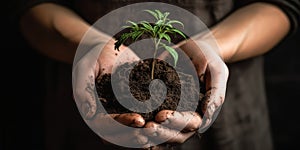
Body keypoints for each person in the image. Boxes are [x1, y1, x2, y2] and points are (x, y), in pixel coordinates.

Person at [17, 0, 299, 150]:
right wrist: (90, 45)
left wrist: (211, 46)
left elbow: (283, 4)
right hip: (78, 114)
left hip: (232, 116)